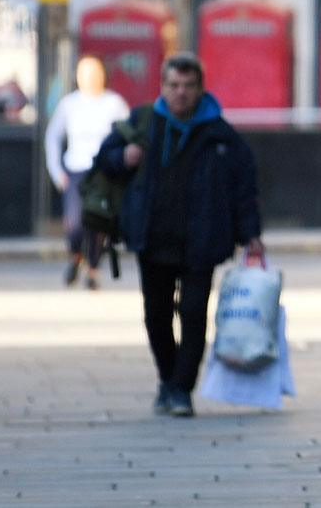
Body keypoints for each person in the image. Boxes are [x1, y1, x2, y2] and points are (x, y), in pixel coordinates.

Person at [97, 52, 264, 417]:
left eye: (189, 86)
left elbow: (244, 187)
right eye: (174, 85)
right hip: (152, 237)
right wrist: (123, 156)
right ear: (163, 86)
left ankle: (182, 389)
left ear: (201, 88)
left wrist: (251, 233)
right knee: (156, 315)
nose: (181, 93)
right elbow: (104, 161)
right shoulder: (143, 123)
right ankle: (167, 379)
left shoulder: (220, 133)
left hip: (201, 241)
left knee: (192, 314)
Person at [44, 55, 129, 290]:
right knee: (75, 223)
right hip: (76, 169)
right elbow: (53, 137)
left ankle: (93, 269)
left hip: (103, 171)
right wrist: (56, 171)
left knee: (98, 222)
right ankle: (75, 255)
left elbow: (127, 136)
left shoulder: (114, 103)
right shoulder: (69, 104)